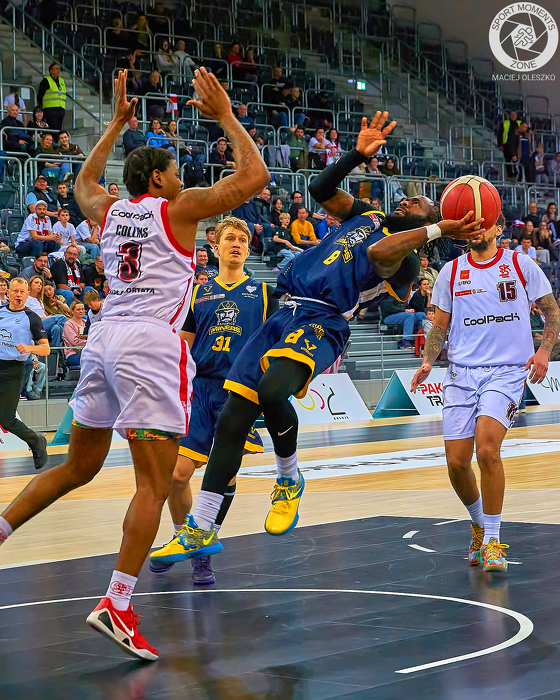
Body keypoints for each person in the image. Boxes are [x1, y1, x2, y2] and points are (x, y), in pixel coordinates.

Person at [0, 67, 268, 661]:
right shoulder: (179, 210)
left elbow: (83, 181)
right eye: (174, 171)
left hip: (103, 339)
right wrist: (226, 115)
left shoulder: (110, 210)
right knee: (154, 482)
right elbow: (255, 177)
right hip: (150, 344)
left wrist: (116, 124)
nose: (182, 178)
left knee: (78, 466)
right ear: (157, 178)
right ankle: (118, 603)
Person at [151, 112, 485, 569]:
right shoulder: (368, 215)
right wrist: (356, 155)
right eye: (410, 198)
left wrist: (440, 228)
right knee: (232, 419)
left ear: (429, 225)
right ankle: (202, 526)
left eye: (421, 204)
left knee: (272, 391)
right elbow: (320, 188)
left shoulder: (406, 260)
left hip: (324, 320)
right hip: (286, 310)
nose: (409, 200)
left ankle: (289, 478)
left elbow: (379, 252)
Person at [411, 212, 560, 573]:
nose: (477, 230)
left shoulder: (521, 264)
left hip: (507, 371)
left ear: (498, 228)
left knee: (488, 449)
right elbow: (440, 325)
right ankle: (479, 525)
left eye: (484, 224)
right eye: (472, 226)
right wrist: (429, 360)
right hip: (461, 374)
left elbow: (552, 311)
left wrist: (544, 350)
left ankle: (493, 540)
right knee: (456, 463)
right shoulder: (451, 271)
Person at [150, 216, 279, 581]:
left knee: (225, 473)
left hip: (239, 392)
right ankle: (185, 538)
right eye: (230, 238)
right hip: (200, 391)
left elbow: (277, 341)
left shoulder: (265, 293)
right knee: (177, 475)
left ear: (248, 249)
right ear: (215, 247)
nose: (237, 244)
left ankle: (202, 548)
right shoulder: (198, 293)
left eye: (243, 240)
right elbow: (183, 345)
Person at [0, 278, 49, 468]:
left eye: (22, 292)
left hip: (13, 370)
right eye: (15, 291)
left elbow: (45, 349)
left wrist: (29, 348)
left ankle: (36, 442)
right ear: (8, 293)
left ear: (28, 294)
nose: (18, 295)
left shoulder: (32, 318)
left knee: (7, 420)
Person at [26, 274, 67, 350]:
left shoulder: (39, 300)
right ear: (30, 284)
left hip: (44, 325)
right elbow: (28, 318)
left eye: (40, 284)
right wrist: (47, 317)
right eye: (36, 283)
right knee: (62, 317)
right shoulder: (27, 298)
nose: (39, 285)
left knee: (57, 328)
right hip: (36, 325)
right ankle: (68, 340)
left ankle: (56, 352)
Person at [37, 62, 66, 133]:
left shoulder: (61, 81)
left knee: (58, 130)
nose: (58, 71)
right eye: (56, 69)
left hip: (60, 109)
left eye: (59, 69)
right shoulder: (46, 81)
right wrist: (41, 107)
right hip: (50, 109)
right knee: (52, 129)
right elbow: (40, 95)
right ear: (51, 71)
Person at [62, 300, 87, 367]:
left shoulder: (86, 322)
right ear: (72, 311)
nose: (81, 311)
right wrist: (90, 342)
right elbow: (75, 342)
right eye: (78, 309)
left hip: (86, 351)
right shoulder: (68, 324)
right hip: (73, 354)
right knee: (92, 357)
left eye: (83, 309)